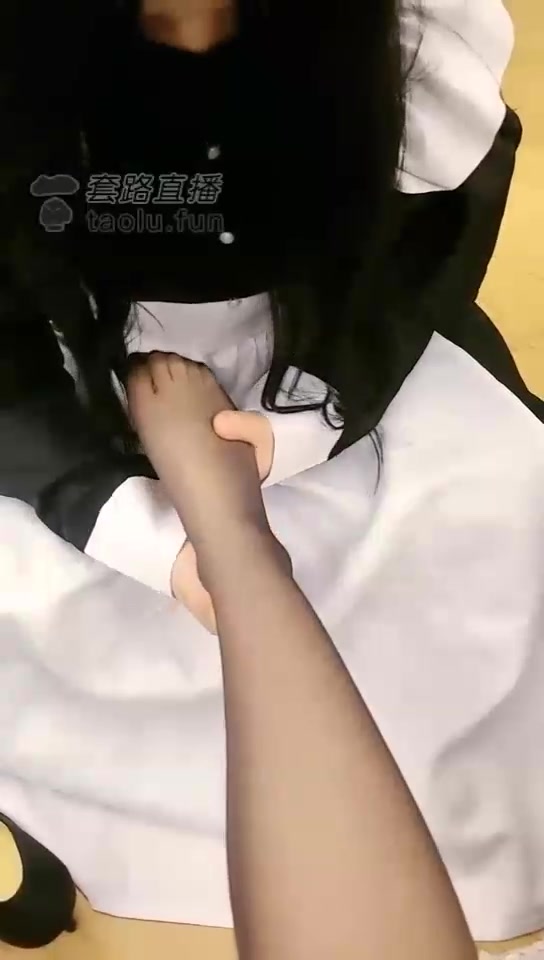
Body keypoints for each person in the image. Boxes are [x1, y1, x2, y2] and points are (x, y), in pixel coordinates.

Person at [1, 0, 544, 948]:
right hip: (55, 393)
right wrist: (130, 522)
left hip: (332, 361)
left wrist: (306, 419)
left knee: (481, 569)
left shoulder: (397, 41)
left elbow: (417, 258)